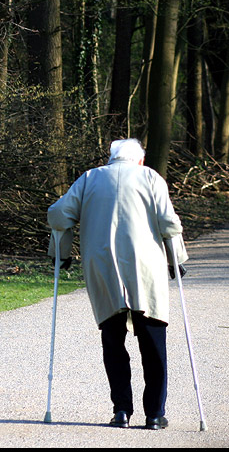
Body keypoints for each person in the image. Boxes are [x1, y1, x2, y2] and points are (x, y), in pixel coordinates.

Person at [47, 138, 188, 430]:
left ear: (111, 158)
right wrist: (178, 259)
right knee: (153, 342)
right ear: (140, 160)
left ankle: (121, 411)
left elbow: (60, 215)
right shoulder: (150, 177)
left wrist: (60, 253)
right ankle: (154, 415)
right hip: (144, 268)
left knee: (113, 342)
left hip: (103, 266)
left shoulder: (90, 178)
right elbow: (168, 222)